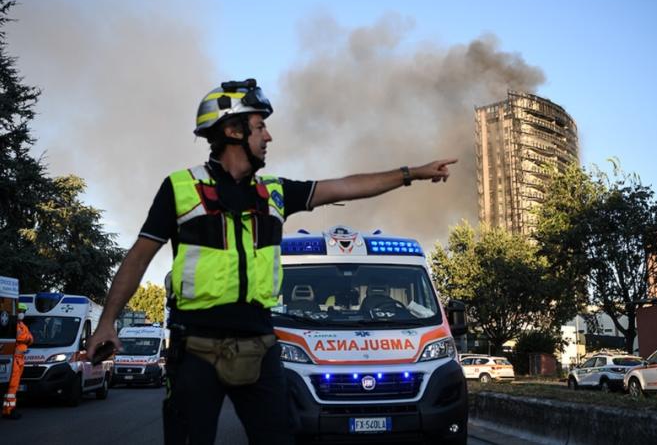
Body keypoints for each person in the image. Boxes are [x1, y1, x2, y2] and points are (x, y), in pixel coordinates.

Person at [86, 78, 457, 445]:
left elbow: (347, 186)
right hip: (195, 348)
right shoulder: (181, 188)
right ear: (232, 131)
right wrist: (107, 322)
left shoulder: (275, 192)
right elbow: (138, 258)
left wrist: (413, 173)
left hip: (260, 346)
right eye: (260, 126)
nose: (269, 137)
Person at [2, 303, 33, 420]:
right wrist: (27, 338)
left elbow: (31, 339)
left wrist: (26, 338)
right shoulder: (14, 324)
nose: (21, 313)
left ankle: (9, 408)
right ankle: (8, 410)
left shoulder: (22, 325)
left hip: (20, 360)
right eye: (20, 310)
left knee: (14, 387)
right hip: (14, 360)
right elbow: (21, 337)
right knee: (12, 386)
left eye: (23, 311)